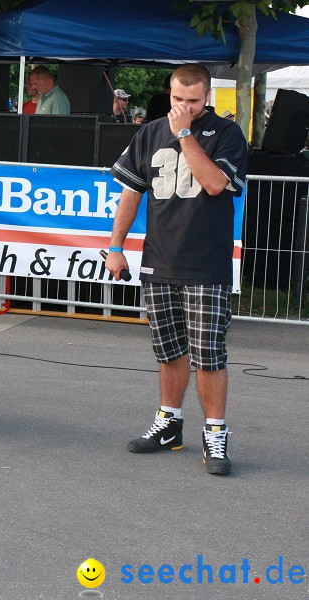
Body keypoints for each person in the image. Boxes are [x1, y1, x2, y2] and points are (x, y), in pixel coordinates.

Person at [106, 63, 248, 476]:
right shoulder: (148, 133)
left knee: (209, 355)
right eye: (177, 100)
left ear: (208, 99)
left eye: (193, 101)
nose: (184, 107)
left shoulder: (227, 133)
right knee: (168, 351)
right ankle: (169, 422)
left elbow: (216, 184)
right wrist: (115, 247)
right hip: (159, 261)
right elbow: (130, 196)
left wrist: (185, 133)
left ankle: (216, 433)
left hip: (206, 263)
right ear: (169, 94)